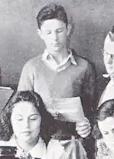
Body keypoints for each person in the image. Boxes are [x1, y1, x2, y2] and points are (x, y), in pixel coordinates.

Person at [17, 4, 96, 139]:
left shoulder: (84, 67)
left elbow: (92, 109)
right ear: (40, 33)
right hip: (40, 139)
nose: (54, 38)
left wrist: (86, 125)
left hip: (73, 140)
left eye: (59, 31)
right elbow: (20, 108)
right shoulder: (31, 67)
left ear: (68, 29)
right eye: (48, 32)